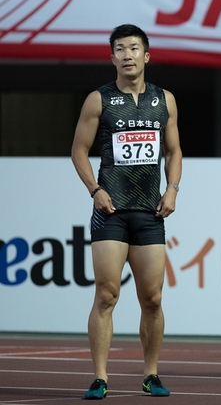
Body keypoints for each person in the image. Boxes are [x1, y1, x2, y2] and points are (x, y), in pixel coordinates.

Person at [71, 24, 182, 399]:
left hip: (150, 213)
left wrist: (173, 189)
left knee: (152, 299)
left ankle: (151, 374)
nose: (127, 55)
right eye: (120, 49)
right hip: (111, 210)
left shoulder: (164, 99)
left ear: (147, 55)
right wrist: (95, 189)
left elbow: (173, 151)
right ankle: (100, 377)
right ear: (112, 57)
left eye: (134, 48)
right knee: (106, 294)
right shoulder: (98, 100)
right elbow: (78, 151)